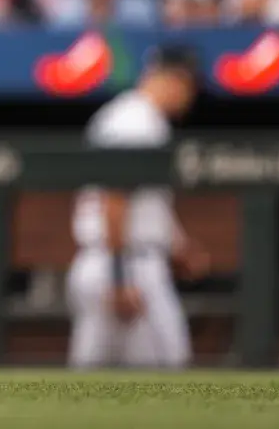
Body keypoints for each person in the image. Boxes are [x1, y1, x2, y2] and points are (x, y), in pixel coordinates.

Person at [67, 44, 209, 368]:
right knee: (169, 369)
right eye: (190, 86)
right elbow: (115, 199)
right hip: (126, 265)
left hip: (110, 260)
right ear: (175, 79)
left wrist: (179, 247)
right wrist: (119, 277)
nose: (190, 97)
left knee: (87, 387)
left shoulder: (129, 116)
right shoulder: (137, 121)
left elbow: (144, 203)